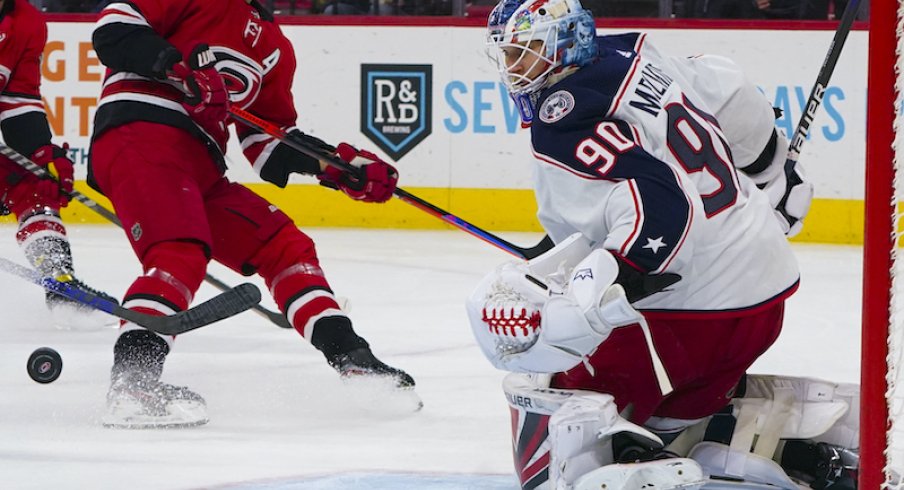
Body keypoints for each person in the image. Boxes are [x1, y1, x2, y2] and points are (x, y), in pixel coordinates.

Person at [466, 0, 859, 487]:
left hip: (691, 309)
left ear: (563, 43)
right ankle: (727, 444)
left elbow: (661, 205)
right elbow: (732, 91)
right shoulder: (633, 52)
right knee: (674, 411)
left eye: (525, 53)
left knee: (563, 388)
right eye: (508, 56)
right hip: (765, 292)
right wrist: (773, 169)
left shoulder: (563, 119)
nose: (514, 70)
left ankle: (623, 463)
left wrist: (605, 283)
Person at [89, 0, 415, 429]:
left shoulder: (277, 47)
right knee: (178, 253)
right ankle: (132, 384)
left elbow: (267, 144)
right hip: (141, 133)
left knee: (285, 246)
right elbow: (113, 28)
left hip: (200, 164)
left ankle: (353, 358)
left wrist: (337, 168)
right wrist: (175, 69)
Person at [0, 0, 116, 329]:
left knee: (37, 181)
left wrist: (38, 151)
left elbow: (18, 97)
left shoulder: (27, 22)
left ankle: (59, 280)